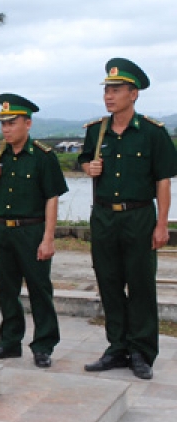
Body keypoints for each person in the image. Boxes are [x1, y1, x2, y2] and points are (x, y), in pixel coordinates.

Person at [78, 58, 177, 380]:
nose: (109, 95)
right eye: (107, 89)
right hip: (104, 216)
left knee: (141, 285)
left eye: (117, 90)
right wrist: (87, 168)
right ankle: (117, 347)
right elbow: (84, 160)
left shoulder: (153, 133)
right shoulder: (96, 131)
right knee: (108, 282)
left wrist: (162, 224)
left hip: (138, 216)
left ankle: (141, 352)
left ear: (133, 94)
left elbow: (163, 182)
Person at [0, 93, 68, 368]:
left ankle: (43, 345)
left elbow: (51, 198)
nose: (6, 129)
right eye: (3, 123)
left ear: (28, 124)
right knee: (6, 289)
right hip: (1, 230)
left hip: (31, 231)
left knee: (39, 289)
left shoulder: (43, 157)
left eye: (12, 123)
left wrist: (48, 238)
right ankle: (9, 342)